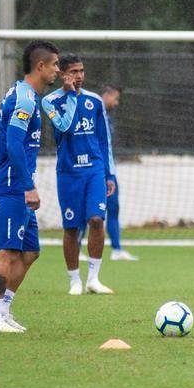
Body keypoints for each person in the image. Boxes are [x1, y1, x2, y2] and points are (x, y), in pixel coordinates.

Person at [0, 40, 64, 333]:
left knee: (30, 252)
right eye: (55, 64)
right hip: (13, 185)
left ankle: (2, 311)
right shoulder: (26, 99)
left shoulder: (22, 94)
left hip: (15, 181)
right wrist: (27, 185)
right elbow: (13, 142)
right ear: (40, 66)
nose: (57, 70)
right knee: (9, 252)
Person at [42, 54, 116, 296]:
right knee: (72, 228)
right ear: (63, 74)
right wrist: (71, 97)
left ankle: (93, 278)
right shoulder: (50, 101)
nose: (80, 76)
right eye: (74, 71)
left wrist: (109, 174)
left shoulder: (95, 101)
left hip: (94, 169)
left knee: (96, 220)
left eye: (82, 71)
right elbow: (62, 128)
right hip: (68, 172)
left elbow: (104, 141)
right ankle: (74, 280)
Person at [100, 84, 138, 261]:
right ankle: (76, 250)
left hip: (109, 170)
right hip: (91, 170)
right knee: (88, 213)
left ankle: (117, 249)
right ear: (106, 95)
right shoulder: (92, 113)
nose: (116, 103)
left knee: (113, 207)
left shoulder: (109, 117)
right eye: (115, 98)